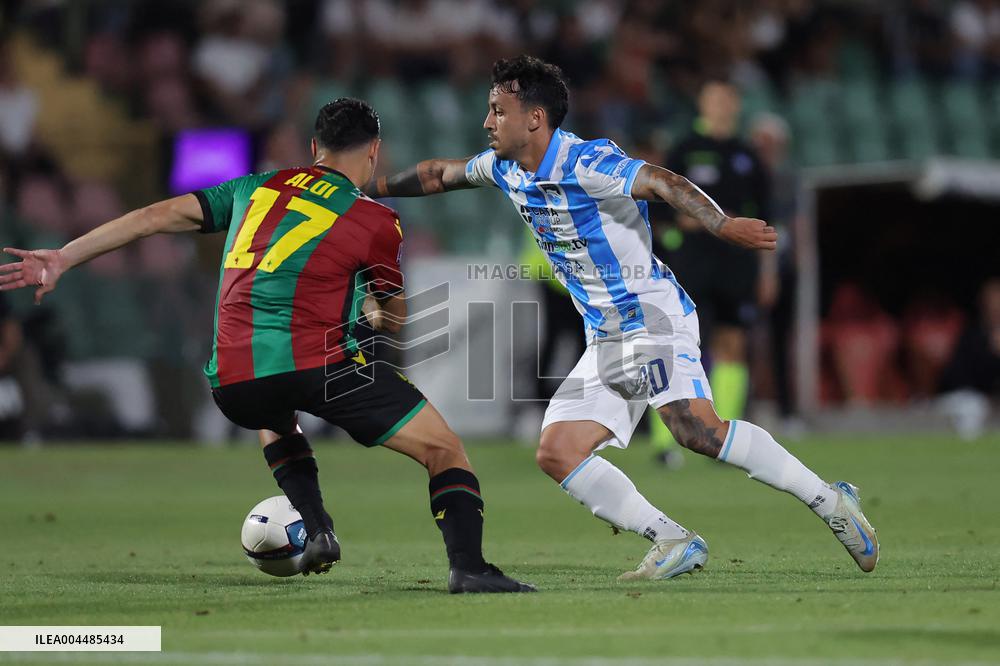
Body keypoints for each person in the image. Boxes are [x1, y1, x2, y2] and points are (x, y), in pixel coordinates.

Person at [368, 56, 879, 579]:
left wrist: (721, 224)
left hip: (650, 314)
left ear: (535, 119)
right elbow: (437, 174)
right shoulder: (503, 168)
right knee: (558, 451)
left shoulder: (587, 162)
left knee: (695, 429)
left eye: (498, 111)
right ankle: (672, 539)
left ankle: (828, 499)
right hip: (607, 334)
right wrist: (365, 190)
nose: (487, 122)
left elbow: (661, 181)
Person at [0, 98, 534, 594]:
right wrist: (372, 310)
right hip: (319, 365)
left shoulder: (253, 188)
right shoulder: (375, 219)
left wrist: (64, 257)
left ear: (311, 151)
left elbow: (153, 217)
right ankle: (469, 566)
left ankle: (318, 528)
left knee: (274, 410)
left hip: (230, 378)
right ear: (374, 152)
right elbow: (395, 319)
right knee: (444, 449)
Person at [662, 80, 773, 436]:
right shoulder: (684, 150)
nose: (721, 105)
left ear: (736, 104)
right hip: (691, 260)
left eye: (727, 98)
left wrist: (768, 271)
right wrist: (697, 219)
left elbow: (768, 219)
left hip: (736, 263)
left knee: (732, 341)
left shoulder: (749, 154)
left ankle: (723, 432)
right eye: (714, 98)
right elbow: (658, 208)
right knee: (678, 344)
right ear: (702, 104)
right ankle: (669, 440)